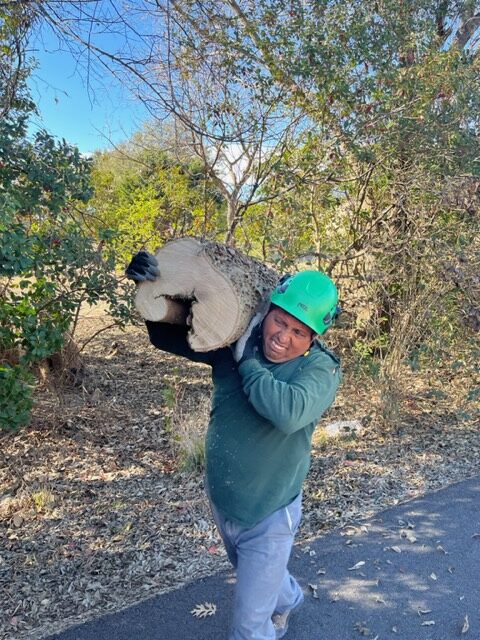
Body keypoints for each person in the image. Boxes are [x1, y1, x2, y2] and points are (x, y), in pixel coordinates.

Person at [126, 251, 342, 640]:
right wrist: (147, 286)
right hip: (225, 498)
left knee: (247, 628)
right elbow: (164, 336)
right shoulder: (236, 338)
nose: (283, 336)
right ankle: (288, 596)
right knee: (254, 573)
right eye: (279, 320)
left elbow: (288, 412)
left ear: (314, 338)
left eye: (298, 332)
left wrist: (247, 362)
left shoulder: (320, 369)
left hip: (270, 512)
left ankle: (276, 601)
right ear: (267, 311)